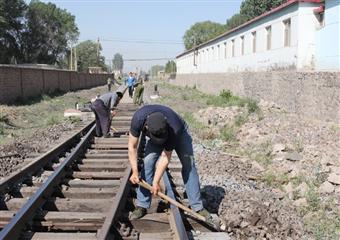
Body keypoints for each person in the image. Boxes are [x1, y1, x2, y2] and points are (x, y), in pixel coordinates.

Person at [128, 105, 212, 221]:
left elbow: (165, 156)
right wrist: (135, 172)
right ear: (146, 127)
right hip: (156, 133)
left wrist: (156, 181)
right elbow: (132, 147)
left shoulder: (174, 128)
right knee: (147, 163)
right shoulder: (138, 119)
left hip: (180, 134)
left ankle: (197, 207)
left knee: (189, 165)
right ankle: (142, 205)